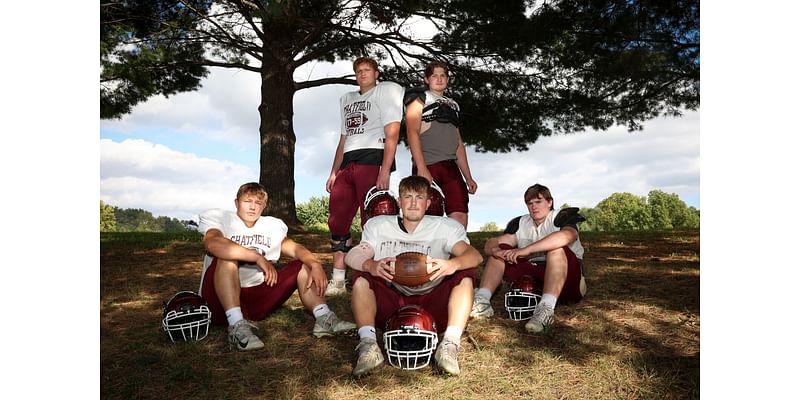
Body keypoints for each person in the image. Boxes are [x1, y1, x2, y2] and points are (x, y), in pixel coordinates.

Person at [344, 176, 483, 377]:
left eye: (419, 197)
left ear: (428, 203)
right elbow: (353, 255)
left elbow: (474, 256)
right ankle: (369, 345)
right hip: (393, 297)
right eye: (407, 197)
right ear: (399, 202)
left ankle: (450, 344)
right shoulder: (379, 225)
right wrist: (370, 264)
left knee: (465, 273)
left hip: (433, 297)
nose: (413, 203)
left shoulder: (445, 227)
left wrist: (452, 264)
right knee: (361, 275)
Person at [198, 182, 356, 351]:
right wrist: (256, 256)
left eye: (258, 203)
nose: (252, 207)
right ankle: (236, 325)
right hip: (220, 300)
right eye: (247, 201)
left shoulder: (271, 225)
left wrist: (315, 264)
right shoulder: (222, 219)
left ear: (264, 206)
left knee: (302, 264)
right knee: (227, 257)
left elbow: (295, 248)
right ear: (236, 203)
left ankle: (324, 317)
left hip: (257, 297)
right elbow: (213, 243)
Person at [325, 56, 405, 297]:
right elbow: (342, 139)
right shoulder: (347, 99)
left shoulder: (386, 91)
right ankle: (338, 279)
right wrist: (333, 171)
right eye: (358, 71)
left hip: (373, 158)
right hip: (348, 161)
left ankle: (376, 277)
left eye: (367, 70)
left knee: (373, 220)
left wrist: (385, 169)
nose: (362, 74)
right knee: (337, 220)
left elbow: (393, 133)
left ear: (376, 73)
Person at [470, 184, 587, 334]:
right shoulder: (521, 222)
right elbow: (493, 242)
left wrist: (527, 249)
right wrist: (495, 250)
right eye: (529, 203)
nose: (534, 207)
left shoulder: (560, 217)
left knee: (556, 248)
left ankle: (546, 309)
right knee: (499, 254)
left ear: (550, 202)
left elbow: (566, 236)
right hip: (535, 278)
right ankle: (482, 300)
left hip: (568, 279)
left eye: (538, 202)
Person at [404, 61, 478, 228]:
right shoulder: (419, 99)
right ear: (426, 79)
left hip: (450, 167)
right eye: (434, 76)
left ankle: (456, 253)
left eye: (443, 75)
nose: (439, 79)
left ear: (447, 79)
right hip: (427, 165)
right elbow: (412, 132)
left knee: (459, 213)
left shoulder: (454, 105)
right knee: (427, 216)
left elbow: (458, 142)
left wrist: (468, 177)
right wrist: (422, 168)